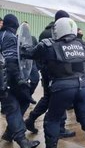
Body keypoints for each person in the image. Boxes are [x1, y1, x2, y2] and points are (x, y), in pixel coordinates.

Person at [21, 17, 85, 148]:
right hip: (83, 87)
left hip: (62, 88)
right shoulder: (82, 44)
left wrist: (21, 47)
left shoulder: (48, 45)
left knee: (52, 119)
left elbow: (30, 53)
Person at [24, 10, 75, 138]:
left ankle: (30, 119)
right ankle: (61, 128)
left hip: (46, 71)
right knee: (60, 98)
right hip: (57, 73)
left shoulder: (44, 33)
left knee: (47, 98)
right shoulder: (60, 34)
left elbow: (38, 53)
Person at [0, 13, 40, 148]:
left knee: (22, 102)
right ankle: (22, 140)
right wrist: (19, 79)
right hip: (6, 80)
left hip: (4, 79)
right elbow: (10, 61)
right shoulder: (9, 37)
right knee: (12, 107)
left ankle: (9, 133)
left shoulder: (3, 35)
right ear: (14, 25)